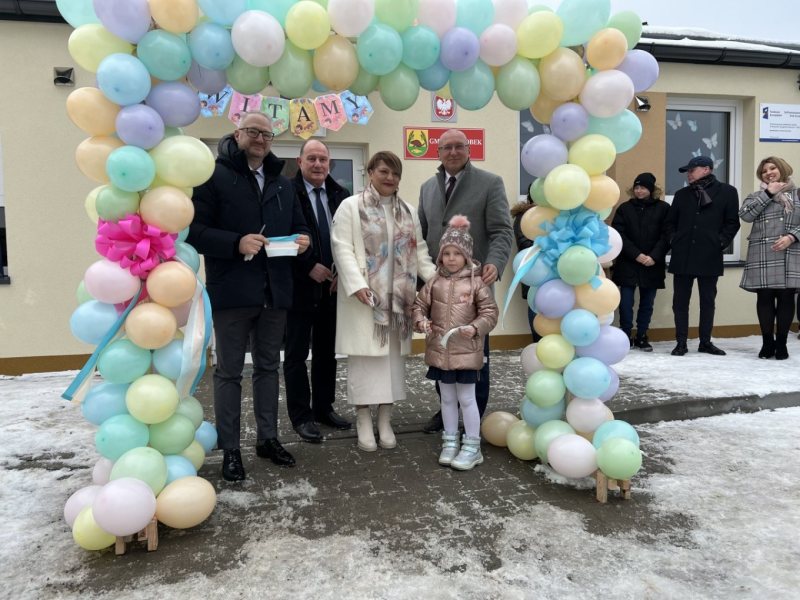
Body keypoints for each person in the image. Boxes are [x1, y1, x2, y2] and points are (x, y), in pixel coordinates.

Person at [188, 111, 311, 482]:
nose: (260, 139)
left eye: (267, 134)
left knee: (268, 367)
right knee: (228, 372)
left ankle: (267, 439)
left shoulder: (283, 182)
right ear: (237, 133)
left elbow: (299, 225)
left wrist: (303, 240)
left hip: (275, 292)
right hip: (232, 292)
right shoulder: (212, 176)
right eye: (253, 132)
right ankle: (230, 448)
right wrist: (235, 242)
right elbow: (193, 231)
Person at [331, 151, 436, 452]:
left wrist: (438, 280)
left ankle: (385, 420)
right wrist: (357, 285)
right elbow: (341, 248)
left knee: (392, 364)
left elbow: (420, 251)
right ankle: (364, 419)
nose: (390, 178)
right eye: (383, 171)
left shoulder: (408, 211)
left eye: (395, 173)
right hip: (365, 300)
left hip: (398, 302)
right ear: (370, 173)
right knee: (365, 362)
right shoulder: (351, 206)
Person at [418, 129, 513, 433]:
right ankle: (446, 411)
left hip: (474, 286)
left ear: (469, 150)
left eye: (459, 146)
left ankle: (474, 415)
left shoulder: (490, 183)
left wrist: (495, 262)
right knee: (441, 350)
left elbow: (502, 230)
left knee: (473, 352)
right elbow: (423, 236)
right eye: (447, 147)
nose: (453, 152)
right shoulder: (427, 188)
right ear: (438, 152)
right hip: (439, 288)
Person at [412, 215, 499, 470]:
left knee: (467, 398)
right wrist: (421, 321)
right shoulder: (434, 282)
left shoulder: (476, 283)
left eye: (457, 253)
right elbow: (418, 306)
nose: (451, 258)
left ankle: (472, 446)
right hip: (441, 352)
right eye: (446, 253)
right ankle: (450, 442)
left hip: (467, 353)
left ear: (467, 256)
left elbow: (490, 313)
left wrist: (476, 327)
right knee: (447, 399)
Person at [284, 140, 352, 443]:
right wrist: (308, 265)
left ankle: (324, 408)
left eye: (323, 159)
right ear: (300, 162)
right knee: (296, 355)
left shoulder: (341, 195)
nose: (318, 164)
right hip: (299, 287)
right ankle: (301, 416)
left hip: (332, 288)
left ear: (329, 163)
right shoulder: (286, 192)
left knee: (327, 353)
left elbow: (349, 239)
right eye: (311, 158)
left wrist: (344, 272)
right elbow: (282, 236)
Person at [667, 155, 740, 356]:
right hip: (683, 256)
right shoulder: (682, 194)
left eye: (692, 170)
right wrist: (674, 240)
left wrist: (720, 243)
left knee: (707, 302)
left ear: (706, 169)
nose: (688, 175)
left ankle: (705, 342)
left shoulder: (727, 192)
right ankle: (681, 342)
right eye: (687, 172)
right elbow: (670, 223)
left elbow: (732, 223)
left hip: (709, 255)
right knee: (680, 302)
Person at [738, 156, 800, 360]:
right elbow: (745, 215)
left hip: (790, 251)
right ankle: (767, 343)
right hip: (762, 252)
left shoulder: (797, 194)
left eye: (772, 168)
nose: (768, 173)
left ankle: (781, 344)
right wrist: (768, 193)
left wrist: (792, 237)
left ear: (782, 169)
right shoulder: (756, 196)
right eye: (764, 171)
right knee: (764, 297)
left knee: (786, 297)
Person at [611, 173, 670, 351]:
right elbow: (619, 235)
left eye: (643, 188)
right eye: (636, 187)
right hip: (628, 262)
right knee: (625, 302)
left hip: (652, 264)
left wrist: (654, 256)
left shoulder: (663, 208)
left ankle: (642, 335)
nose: (639, 191)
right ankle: (626, 334)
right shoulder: (625, 209)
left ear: (651, 190)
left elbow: (667, 235)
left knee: (647, 303)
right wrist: (636, 254)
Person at [511, 194, 542, 342]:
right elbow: (524, 243)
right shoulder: (524, 216)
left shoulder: (554, 215)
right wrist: (547, 244)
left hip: (554, 271)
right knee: (535, 304)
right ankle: (537, 342)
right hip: (532, 270)